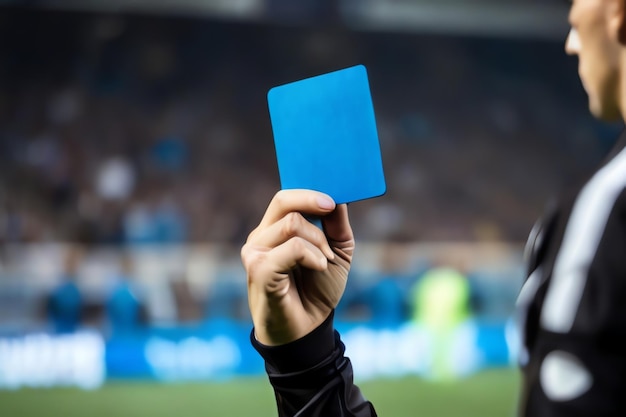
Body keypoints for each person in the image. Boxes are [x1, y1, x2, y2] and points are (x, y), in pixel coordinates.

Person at [240, 0, 626, 415]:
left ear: (617, 12)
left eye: (575, 13)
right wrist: (310, 365)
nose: (570, 41)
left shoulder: (606, 207)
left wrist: (306, 370)